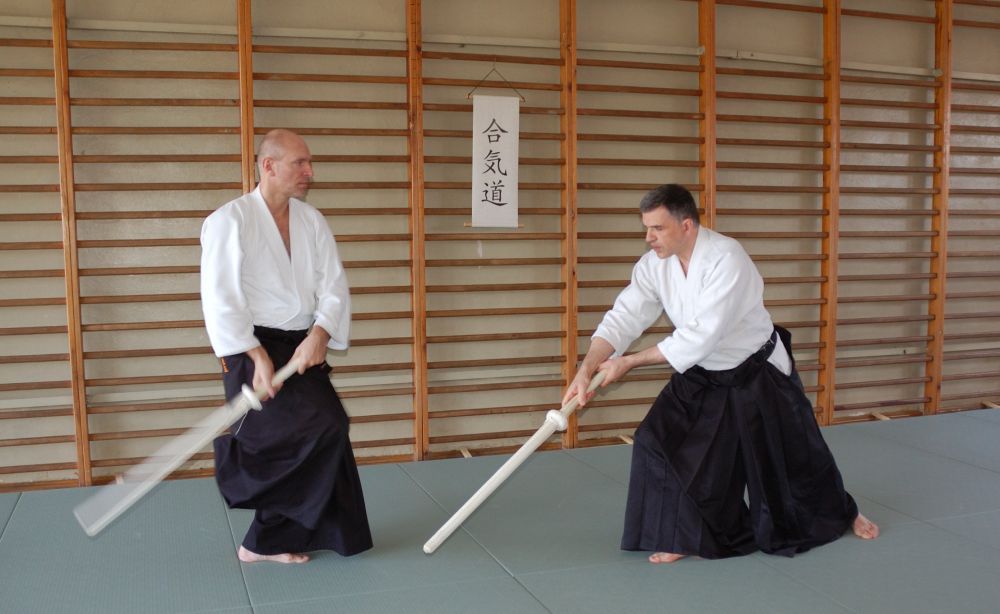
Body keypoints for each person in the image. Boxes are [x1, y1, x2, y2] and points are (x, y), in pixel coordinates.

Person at [564, 183, 878, 564]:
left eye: (657, 228)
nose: (649, 238)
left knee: (794, 458)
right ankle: (684, 534)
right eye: (646, 228)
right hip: (705, 371)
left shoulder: (727, 258)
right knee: (657, 440)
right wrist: (586, 369)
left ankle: (842, 513)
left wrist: (628, 362)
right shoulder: (654, 265)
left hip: (757, 369)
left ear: (686, 225)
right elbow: (623, 318)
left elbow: (701, 335)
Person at [200, 129, 373, 564]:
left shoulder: (311, 221)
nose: (309, 172)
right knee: (276, 438)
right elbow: (221, 298)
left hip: (302, 343)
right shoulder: (229, 221)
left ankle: (276, 539)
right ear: (269, 166)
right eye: (300, 163)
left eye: (309, 163)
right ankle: (263, 536)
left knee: (329, 426)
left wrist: (321, 334)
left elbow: (333, 286)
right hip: (250, 345)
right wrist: (254, 353)